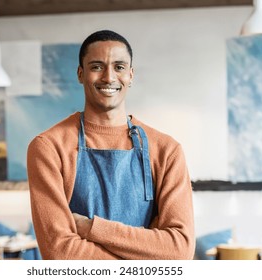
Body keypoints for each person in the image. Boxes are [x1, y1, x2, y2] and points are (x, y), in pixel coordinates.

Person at [27, 30, 195, 259]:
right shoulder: (48, 147)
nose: (109, 77)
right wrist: (148, 251)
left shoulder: (167, 150)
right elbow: (59, 252)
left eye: (119, 67)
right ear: (80, 74)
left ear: (131, 75)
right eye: (96, 66)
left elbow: (179, 251)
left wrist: (88, 227)